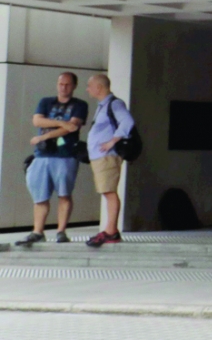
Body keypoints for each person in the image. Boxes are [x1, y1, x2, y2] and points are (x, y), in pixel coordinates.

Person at [22, 71, 88, 246]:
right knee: (40, 196)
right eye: (60, 84)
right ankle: (37, 231)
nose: (63, 87)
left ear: (74, 86)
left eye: (67, 84)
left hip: (65, 154)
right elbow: (37, 121)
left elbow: (71, 127)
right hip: (42, 155)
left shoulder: (80, 105)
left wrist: (44, 136)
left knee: (64, 194)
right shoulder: (46, 101)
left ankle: (61, 231)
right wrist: (61, 122)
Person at [83, 73, 134, 248]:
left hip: (107, 157)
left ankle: (111, 230)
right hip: (99, 157)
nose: (87, 89)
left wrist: (112, 141)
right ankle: (110, 229)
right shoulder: (102, 106)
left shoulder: (115, 104)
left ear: (99, 87)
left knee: (109, 192)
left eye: (90, 85)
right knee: (106, 192)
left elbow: (127, 121)